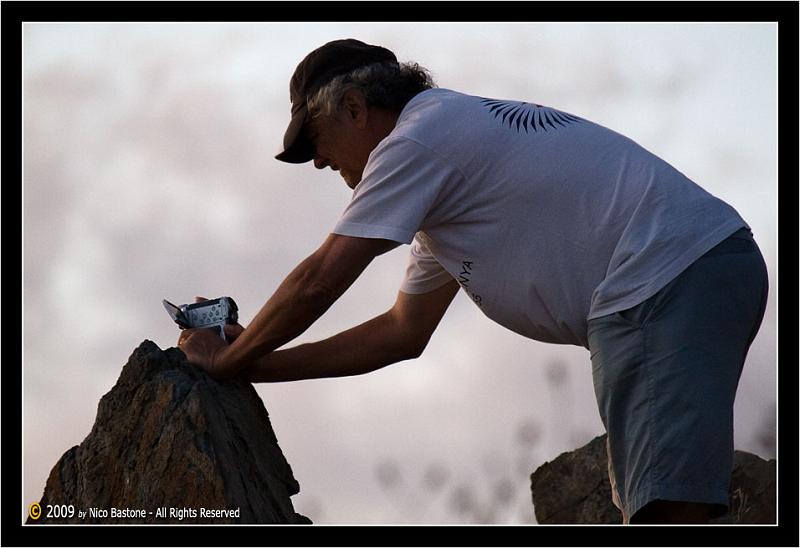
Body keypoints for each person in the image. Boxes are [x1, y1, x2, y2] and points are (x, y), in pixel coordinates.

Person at [177, 39, 769, 524]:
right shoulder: (444, 171)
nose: (324, 166)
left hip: (660, 284)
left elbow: (320, 278)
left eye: (321, 146)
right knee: (671, 502)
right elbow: (401, 334)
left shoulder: (415, 142)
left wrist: (226, 363)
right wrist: (255, 360)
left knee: (665, 513)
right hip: (688, 271)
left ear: (355, 108)